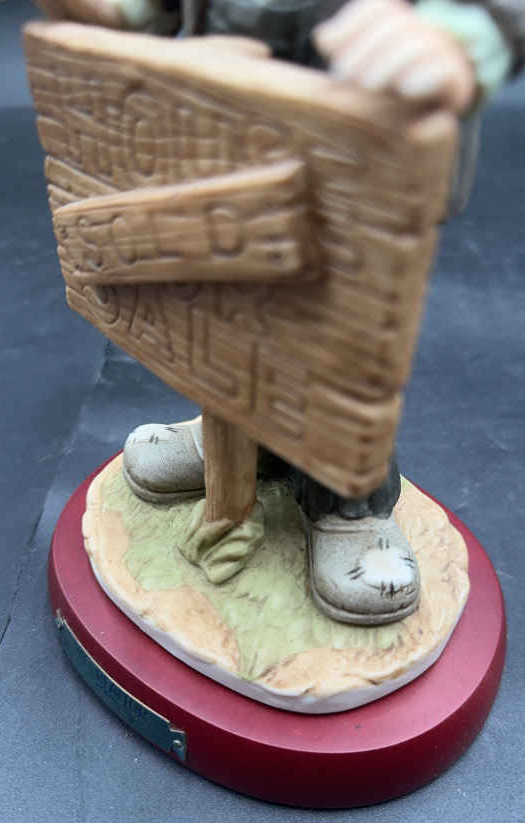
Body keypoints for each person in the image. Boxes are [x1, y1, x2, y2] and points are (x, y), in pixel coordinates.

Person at [36, 0, 525, 624]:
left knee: (339, 336)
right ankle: (242, 448)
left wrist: (461, 33)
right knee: (219, 309)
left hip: (362, 137)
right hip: (218, 127)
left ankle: (347, 503)